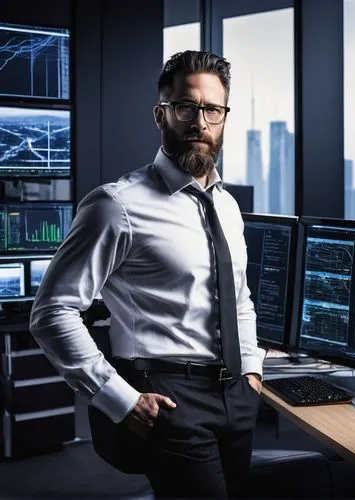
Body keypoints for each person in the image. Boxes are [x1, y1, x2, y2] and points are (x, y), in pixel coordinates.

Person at [30, 50, 263, 499]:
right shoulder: (116, 205)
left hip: (236, 394)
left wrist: (250, 371)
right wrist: (119, 398)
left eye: (212, 109)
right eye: (185, 107)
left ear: (224, 117)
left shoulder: (228, 207)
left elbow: (239, 299)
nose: (200, 122)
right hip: (170, 396)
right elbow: (53, 311)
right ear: (161, 115)